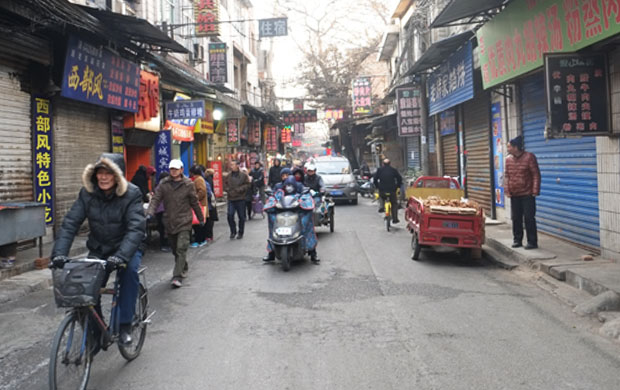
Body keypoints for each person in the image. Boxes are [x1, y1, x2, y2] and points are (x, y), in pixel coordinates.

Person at [51, 153, 145, 346]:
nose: (103, 177)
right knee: (86, 287)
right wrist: (59, 253)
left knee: (129, 274)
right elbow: (70, 224)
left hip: (127, 247)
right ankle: (97, 330)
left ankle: (126, 324)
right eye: (100, 173)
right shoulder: (87, 194)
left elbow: (135, 229)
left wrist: (121, 257)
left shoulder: (132, 193)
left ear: (117, 176)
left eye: (108, 173)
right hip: (100, 247)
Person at [146, 159, 204, 288]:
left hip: (184, 220)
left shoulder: (188, 184)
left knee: (181, 248)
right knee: (175, 249)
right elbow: (156, 199)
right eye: (172, 169)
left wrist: (200, 218)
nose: (174, 171)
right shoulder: (164, 183)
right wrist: (150, 212)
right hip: (169, 221)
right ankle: (183, 265)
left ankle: (177, 276)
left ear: (181, 170)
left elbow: (194, 202)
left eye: (176, 169)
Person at [263, 176, 320, 263]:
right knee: (272, 229)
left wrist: (302, 204)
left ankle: (313, 253)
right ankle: (272, 253)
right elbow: (272, 200)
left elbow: (307, 201)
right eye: (287, 185)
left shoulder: (301, 194)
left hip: (297, 217)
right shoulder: (279, 194)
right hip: (282, 218)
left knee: (308, 229)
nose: (289, 187)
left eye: (291, 185)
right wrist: (272, 200)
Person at [505, 135, 541, 250]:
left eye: (509, 146)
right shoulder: (508, 159)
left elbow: (536, 174)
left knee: (529, 218)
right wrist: (507, 189)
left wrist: (535, 190)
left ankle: (532, 242)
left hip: (527, 193)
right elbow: (506, 175)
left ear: (516, 147)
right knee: (516, 218)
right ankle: (517, 240)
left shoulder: (529, 157)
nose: (508, 149)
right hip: (514, 194)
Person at [225, 160, 251, 239]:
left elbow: (247, 185)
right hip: (231, 198)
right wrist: (228, 190)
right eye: (231, 164)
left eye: (233, 165)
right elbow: (225, 185)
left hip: (240, 198)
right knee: (230, 215)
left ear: (237, 166)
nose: (231, 166)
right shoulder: (228, 176)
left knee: (241, 217)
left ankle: (240, 232)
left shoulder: (243, 176)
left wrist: (240, 190)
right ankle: (233, 231)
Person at [373, 158, 402, 223]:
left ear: (383, 164)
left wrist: (377, 186)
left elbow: (375, 179)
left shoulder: (379, 170)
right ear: (390, 164)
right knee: (394, 204)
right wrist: (397, 186)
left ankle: (382, 206)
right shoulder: (393, 170)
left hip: (382, 190)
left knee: (381, 197)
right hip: (392, 190)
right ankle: (395, 219)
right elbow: (399, 178)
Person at [189, 165, 209, 248]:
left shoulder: (198, 180)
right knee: (197, 223)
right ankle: (199, 239)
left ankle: (200, 240)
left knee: (198, 223)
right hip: (198, 205)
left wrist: (195, 198)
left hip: (200, 205)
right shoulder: (196, 179)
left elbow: (202, 191)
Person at [155, 172, 171, 252]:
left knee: (162, 228)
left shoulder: (158, 186)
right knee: (164, 228)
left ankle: (164, 244)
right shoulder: (163, 187)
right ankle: (164, 244)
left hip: (159, 211)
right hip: (163, 210)